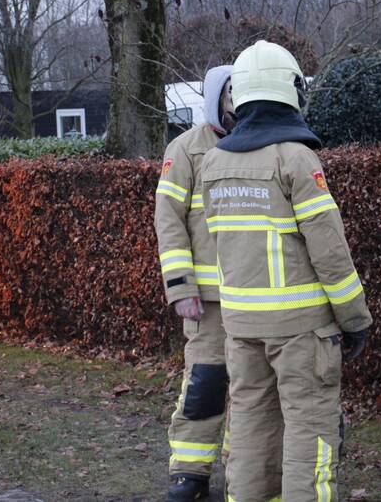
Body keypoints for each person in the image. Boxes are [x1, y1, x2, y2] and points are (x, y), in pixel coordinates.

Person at [201, 41, 373, 502]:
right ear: (291, 90)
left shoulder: (214, 162)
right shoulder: (295, 159)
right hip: (301, 330)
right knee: (308, 430)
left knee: (251, 425)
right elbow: (330, 251)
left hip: (240, 326)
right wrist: (355, 318)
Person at [155, 65, 236, 502]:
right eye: (231, 94)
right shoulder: (185, 150)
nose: (238, 102)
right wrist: (182, 288)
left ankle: (241, 474)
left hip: (256, 299)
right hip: (207, 304)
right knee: (204, 387)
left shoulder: (261, 146)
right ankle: (189, 473)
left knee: (252, 391)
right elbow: (168, 222)